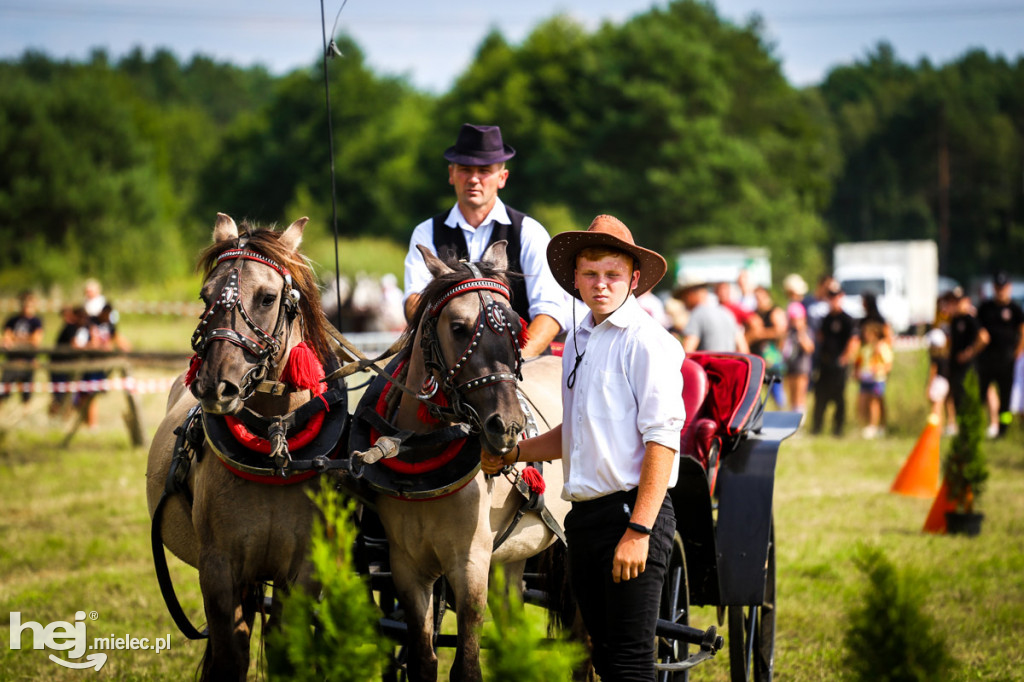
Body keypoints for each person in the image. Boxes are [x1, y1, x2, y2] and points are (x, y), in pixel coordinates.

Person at [481, 214, 684, 681]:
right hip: (584, 521)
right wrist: (512, 454)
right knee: (604, 657)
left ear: (633, 280)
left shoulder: (649, 343)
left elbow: (662, 442)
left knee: (630, 663)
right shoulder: (578, 340)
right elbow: (571, 431)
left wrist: (638, 530)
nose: (601, 285)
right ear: (574, 278)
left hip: (631, 514)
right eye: (591, 274)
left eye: (613, 275)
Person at [402, 123, 568, 357]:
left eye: (484, 170)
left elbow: (550, 313)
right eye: (465, 169)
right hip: (448, 364)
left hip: (524, 362)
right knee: (379, 390)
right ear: (451, 174)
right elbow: (414, 300)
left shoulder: (530, 232)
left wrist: (516, 362)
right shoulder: (426, 231)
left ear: (502, 177)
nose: (474, 179)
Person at [975, 271, 1024, 438]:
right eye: (998, 287)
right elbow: (978, 330)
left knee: (1006, 397)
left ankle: (1003, 430)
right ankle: (975, 426)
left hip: (1007, 360)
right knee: (980, 394)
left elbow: (1022, 331)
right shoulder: (985, 308)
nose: (1001, 290)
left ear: (1008, 287)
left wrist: (1018, 352)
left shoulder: (1015, 309)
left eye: (1004, 287)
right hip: (987, 360)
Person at [811, 280, 860, 436]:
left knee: (839, 398)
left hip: (839, 365)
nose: (833, 299)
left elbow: (853, 341)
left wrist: (844, 359)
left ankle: (838, 430)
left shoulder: (847, 319)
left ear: (841, 296)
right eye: (830, 296)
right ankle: (817, 428)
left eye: (835, 295)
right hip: (825, 364)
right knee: (820, 397)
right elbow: (820, 338)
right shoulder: (826, 319)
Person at [676, 276, 747, 353]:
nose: (684, 303)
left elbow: (687, 352)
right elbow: (743, 349)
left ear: (690, 294)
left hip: (709, 365)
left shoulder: (697, 314)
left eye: (683, 297)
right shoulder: (726, 313)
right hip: (730, 363)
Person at [948, 288, 988, 417]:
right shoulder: (954, 319)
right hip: (956, 365)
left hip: (968, 366)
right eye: (955, 301)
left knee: (968, 395)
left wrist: (969, 353)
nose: (957, 304)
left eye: (959, 301)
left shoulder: (970, 318)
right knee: (957, 397)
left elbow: (984, 337)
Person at [747, 285, 788, 407]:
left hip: (772, 359)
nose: (758, 300)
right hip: (757, 357)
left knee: (776, 390)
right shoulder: (754, 313)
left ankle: (783, 415)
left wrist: (760, 334)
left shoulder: (775, 312)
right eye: (756, 298)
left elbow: (780, 331)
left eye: (761, 297)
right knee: (756, 392)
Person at [1, 290, 44, 404]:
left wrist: (15, 339)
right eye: (24, 303)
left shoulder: (36, 321)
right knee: (3, 392)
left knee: (26, 395)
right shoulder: (12, 320)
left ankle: (26, 416)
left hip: (28, 361)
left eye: (29, 303)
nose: (26, 306)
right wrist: (26, 339)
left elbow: (35, 340)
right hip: (12, 361)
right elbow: (6, 338)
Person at [781, 274, 815, 418]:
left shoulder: (805, 330)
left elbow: (809, 347)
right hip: (791, 365)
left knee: (800, 398)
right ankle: (792, 422)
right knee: (792, 398)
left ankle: (799, 422)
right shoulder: (789, 331)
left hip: (802, 366)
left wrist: (800, 331)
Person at [855, 320, 894, 438]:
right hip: (865, 379)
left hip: (877, 379)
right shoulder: (865, 347)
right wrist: (857, 371)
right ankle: (864, 425)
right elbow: (859, 361)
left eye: (868, 333)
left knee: (874, 403)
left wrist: (878, 368)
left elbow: (888, 365)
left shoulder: (882, 347)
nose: (866, 336)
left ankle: (874, 426)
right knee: (862, 402)